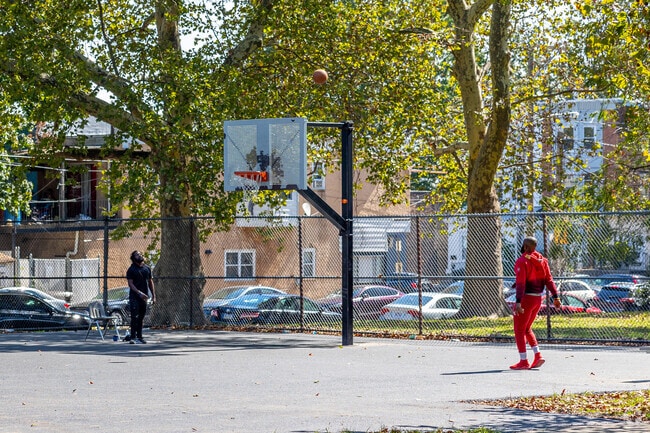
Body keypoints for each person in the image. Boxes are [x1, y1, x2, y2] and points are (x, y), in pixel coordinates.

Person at [510, 236, 561, 370]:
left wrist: (518, 302)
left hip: (526, 298)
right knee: (527, 329)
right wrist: (556, 296)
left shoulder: (522, 261)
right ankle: (538, 355)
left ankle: (523, 361)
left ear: (525, 247)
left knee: (519, 329)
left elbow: (521, 283)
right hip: (537, 299)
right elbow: (549, 280)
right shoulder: (543, 261)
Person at [126, 250, 155, 344]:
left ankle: (140, 337)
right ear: (134, 258)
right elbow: (130, 284)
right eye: (137, 255)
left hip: (144, 297)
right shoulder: (131, 269)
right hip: (135, 297)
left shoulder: (147, 268)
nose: (140, 255)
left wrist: (154, 296)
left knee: (141, 318)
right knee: (134, 317)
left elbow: (150, 282)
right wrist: (139, 293)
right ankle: (133, 337)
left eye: (140, 254)